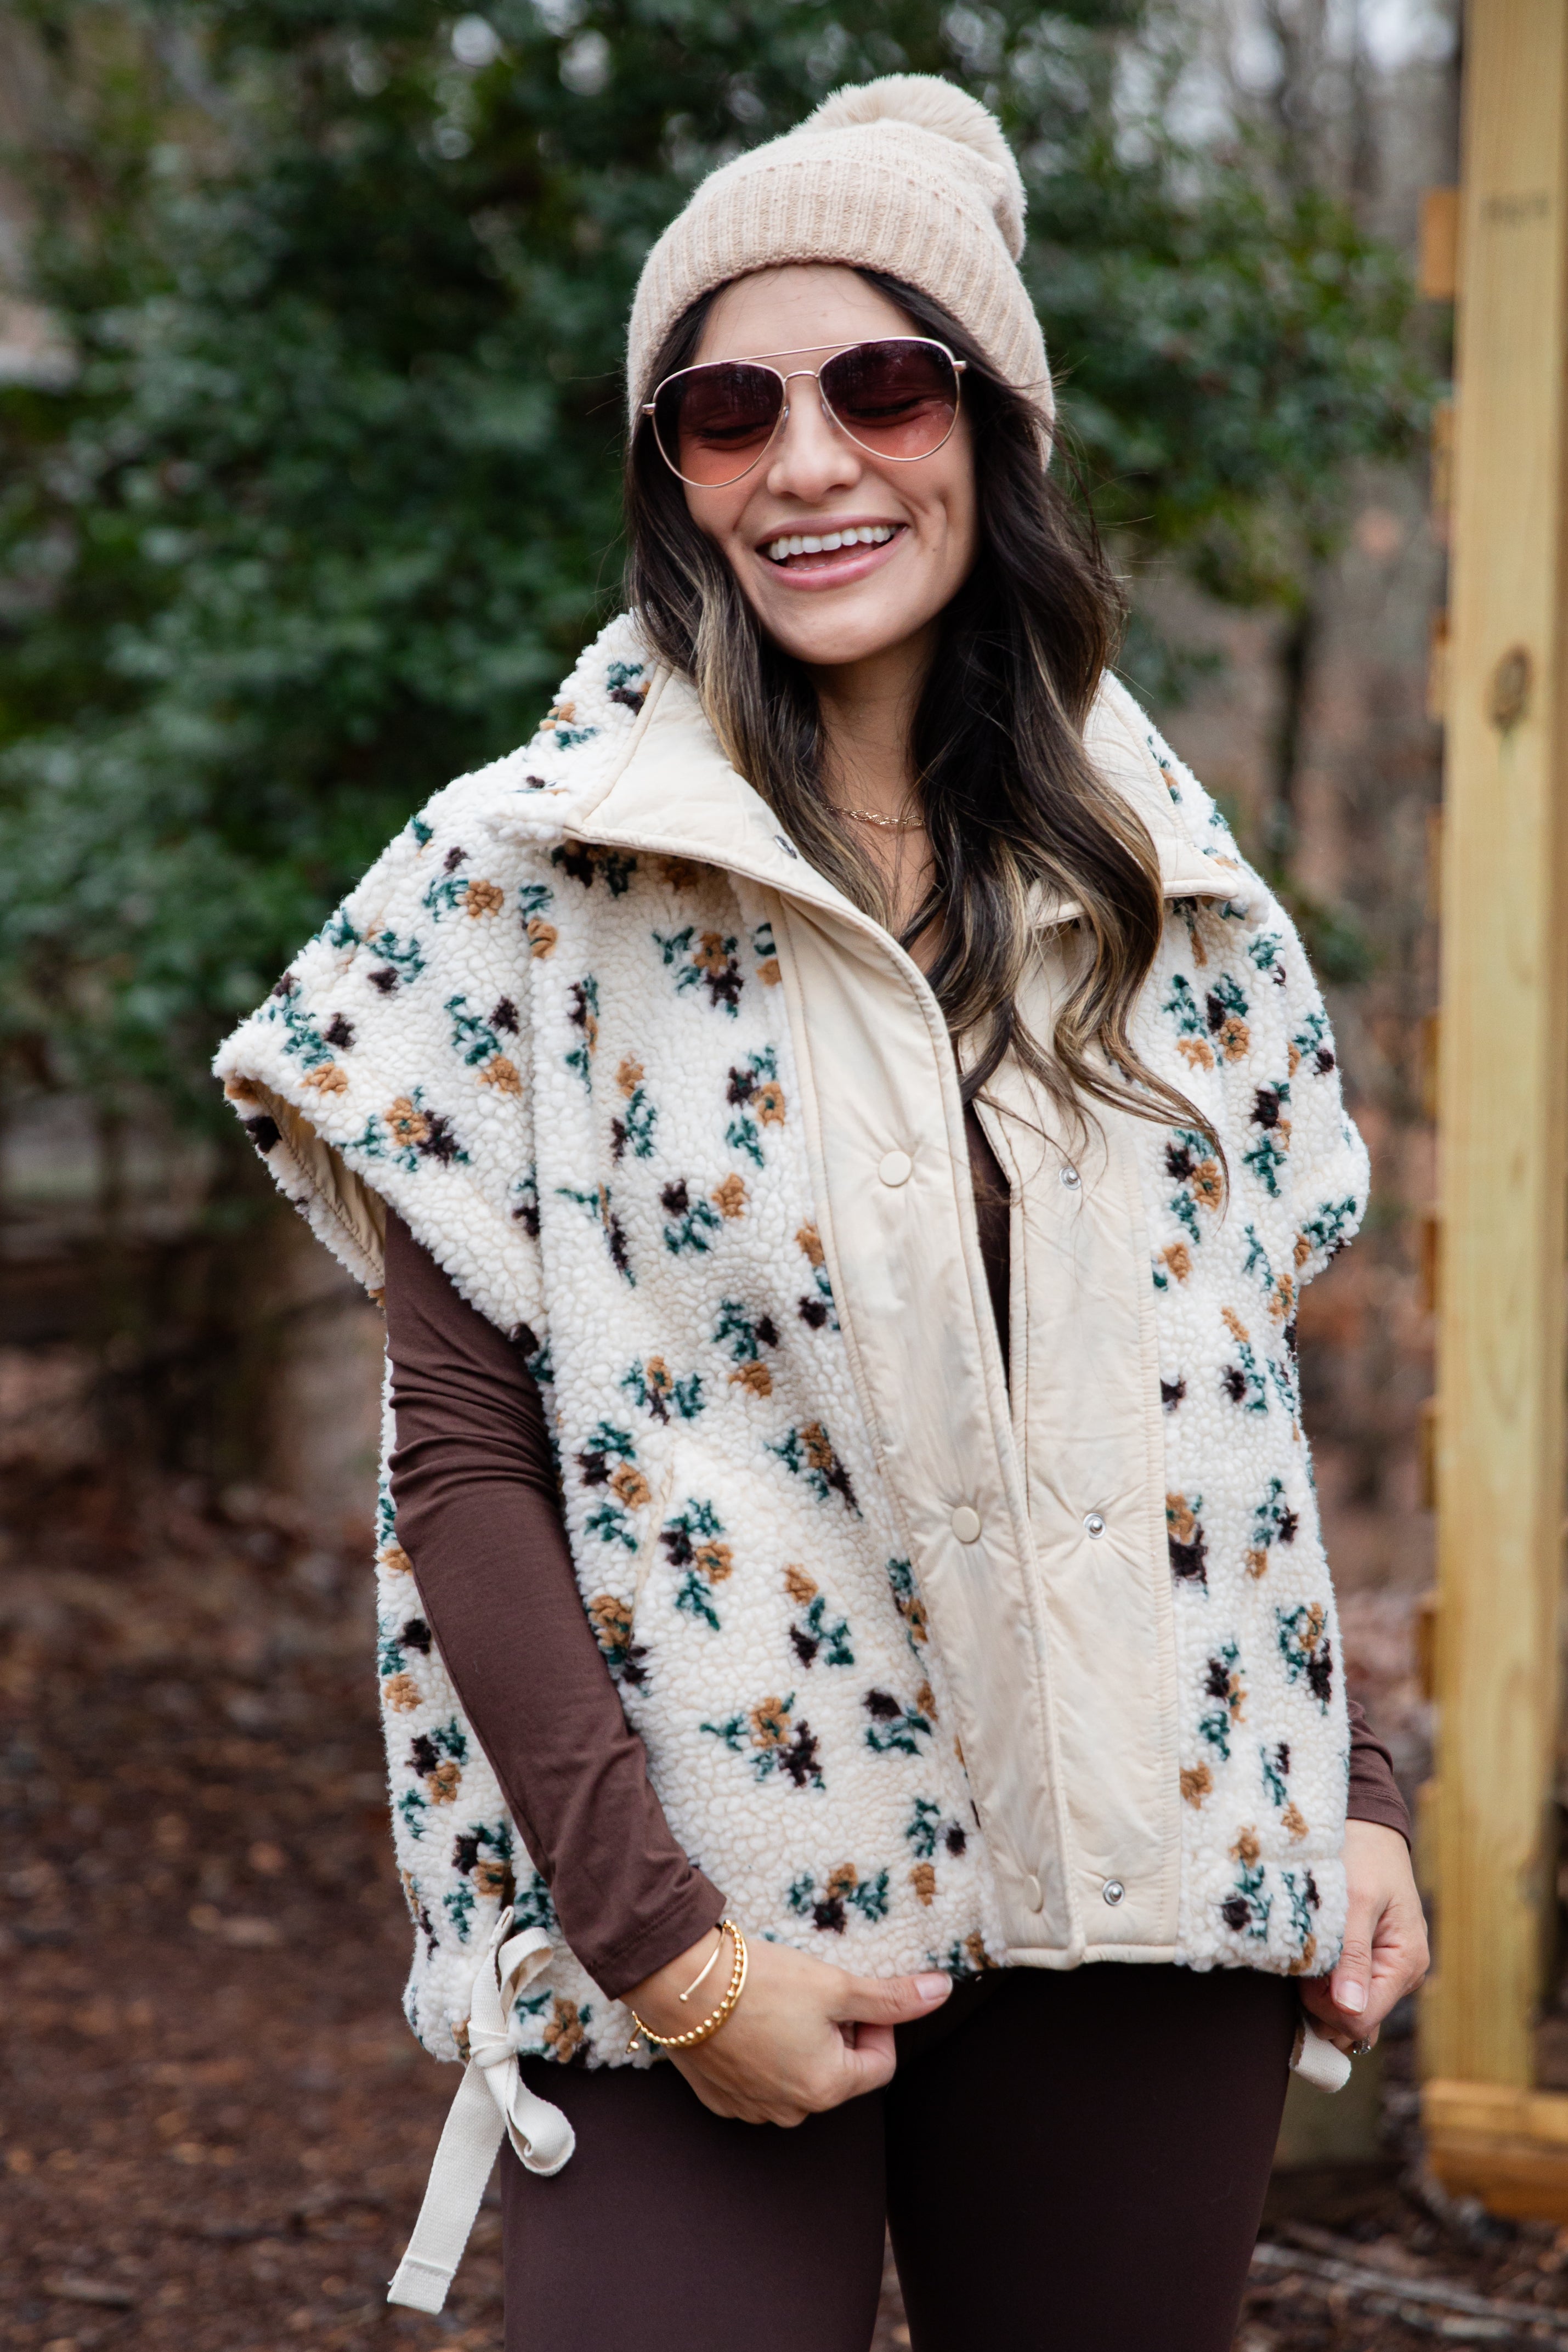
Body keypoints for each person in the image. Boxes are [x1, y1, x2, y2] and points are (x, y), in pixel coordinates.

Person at [216, 74, 1428, 2352]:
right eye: (722, 407)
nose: (805, 459)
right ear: (666, 464)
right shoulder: (518, 876)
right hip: (725, 1907)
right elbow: (464, 1468)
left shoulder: (1156, 878)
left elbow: (1230, 1399)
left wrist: (1357, 1790)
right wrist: (668, 1951)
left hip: (1150, 1882)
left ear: (993, 430)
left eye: (882, 382)